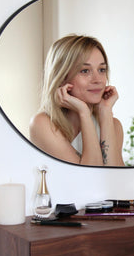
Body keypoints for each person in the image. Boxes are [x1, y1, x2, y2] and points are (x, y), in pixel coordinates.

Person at [29, 35, 124, 166]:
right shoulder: (43, 123)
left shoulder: (114, 126)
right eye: (85, 71)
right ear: (62, 77)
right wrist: (84, 112)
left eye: (102, 70)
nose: (97, 80)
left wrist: (106, 112)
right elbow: (88, 177)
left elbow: (116, 180)